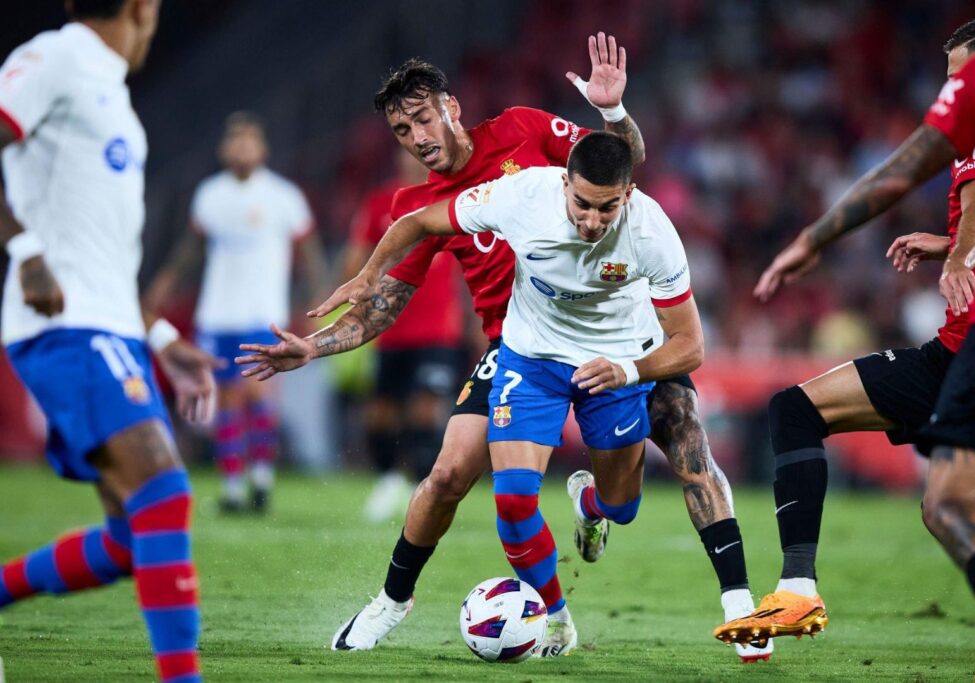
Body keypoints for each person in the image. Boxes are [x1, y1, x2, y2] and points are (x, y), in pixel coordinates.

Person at [239, 36, 769, 661]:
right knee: (448, 474)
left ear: (452, 108)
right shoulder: (421, 203)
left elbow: (617, 168)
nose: (415, 135)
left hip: (616, 339)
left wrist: (613, 113)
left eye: (423, 117)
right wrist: (316, 347)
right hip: (519, 345)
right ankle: (398, 600)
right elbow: (385, 305)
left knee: (661, 471)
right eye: (401, 129)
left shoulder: (522, 133)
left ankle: (605, 509)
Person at [715, 18, 975, 681]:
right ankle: (798, 589)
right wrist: (953, 247)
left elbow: (964, 201)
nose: (952, 88)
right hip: (963, 351)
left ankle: (808, 588)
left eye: (959, 75)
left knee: (944, 503)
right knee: (801, 411)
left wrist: (817, 240)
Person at [0, 2, 218, 681]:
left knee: (134, 535)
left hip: (111, 325)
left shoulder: (110, 92)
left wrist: (158, 335)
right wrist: (27, 250)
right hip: (63, 326)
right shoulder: (56, 57)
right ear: (142, 7)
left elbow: (100, 253)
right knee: (163, 489)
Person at [146, 112, 325, 513]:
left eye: (249, 140)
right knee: (225, 399)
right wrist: (166, 281)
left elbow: (309, 251)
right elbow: (192, 247)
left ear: (262, 148)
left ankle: (261, 481)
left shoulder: (283, 196)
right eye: (235, 140)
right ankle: (230, 488)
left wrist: (315, 298)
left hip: (264, 313)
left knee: (259, 392)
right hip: (217, 314)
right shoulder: (210, 194)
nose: (241, 147)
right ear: (225, 149)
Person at [336, 150, 465, 523]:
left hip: (439, 328)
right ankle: (389, 479)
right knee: (379, 416)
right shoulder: (380, 203)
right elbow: (354, 259)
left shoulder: (453, 198)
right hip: (390, 328)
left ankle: (420, 489)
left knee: (426, 408)